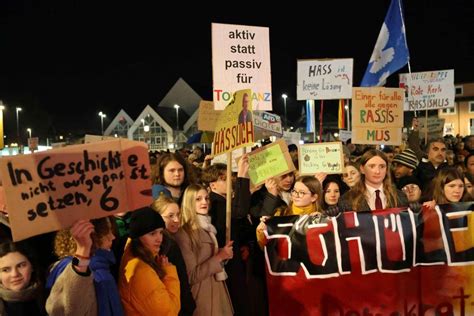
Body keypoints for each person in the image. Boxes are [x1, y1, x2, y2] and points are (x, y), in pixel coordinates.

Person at [174, 184, 234, 315]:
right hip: (202, 298)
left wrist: (224, 256)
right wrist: (219, 257)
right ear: (188, 202)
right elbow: (191, 276)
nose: (204, 202)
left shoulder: (209, 229)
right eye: (198, 199)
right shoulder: (184, 234)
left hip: (217, 293)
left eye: (206, 198)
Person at [46, 217, 123, 316]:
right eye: (106, 232)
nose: (112, 237)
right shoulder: (66, 268)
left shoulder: (102, 265)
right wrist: (83, 250)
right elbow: (70, 310)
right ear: (92, 235)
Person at [119, 207, 180, 315]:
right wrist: (169, 273)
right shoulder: (142, 271)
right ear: (138, 236)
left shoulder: (132, 254)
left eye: (161, 232)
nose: (159, 239)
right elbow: (169, 311)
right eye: (152, 234)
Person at [152, 196, 196, 316]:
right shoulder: (166, 245)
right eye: (170, 216)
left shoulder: (172, 240)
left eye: (178, 214)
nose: (176, 220)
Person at [256, 175, 326, 248]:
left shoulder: (322, 218)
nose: (296, 195)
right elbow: (268, 248)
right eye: (294, 191)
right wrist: (263, 230)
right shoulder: (280, 213)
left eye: (301, 192)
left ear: (314, 197)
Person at [338, 149, 408, 212]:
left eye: (382, 166)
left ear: (386, 170)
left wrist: (416, 214)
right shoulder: (347, 200)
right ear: (362, 169)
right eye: (372, 166)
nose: (377, 171)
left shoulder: (400, 197)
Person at [0, 241, 45, 315]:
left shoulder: (50, 294)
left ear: (32, 266)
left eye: (21, 266)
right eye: (6, 270)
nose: (15, 274)